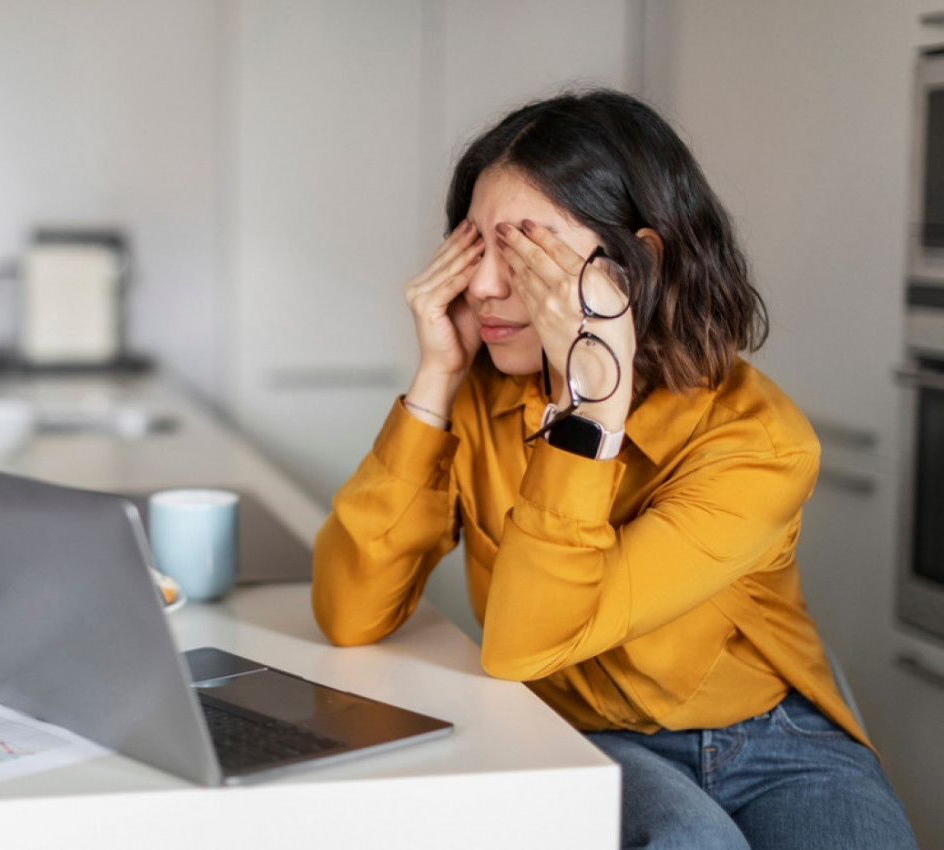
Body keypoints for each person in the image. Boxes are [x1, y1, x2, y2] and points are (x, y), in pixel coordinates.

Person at [311, 89, 917, 849]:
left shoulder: (758, 442)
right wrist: (437, 374)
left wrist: (591, 393)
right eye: (474, 249)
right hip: (579, 731)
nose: (483, 286)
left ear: (637, 263)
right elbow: (355, 613)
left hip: (773, 737)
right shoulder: (478, 397)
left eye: (524, 254)